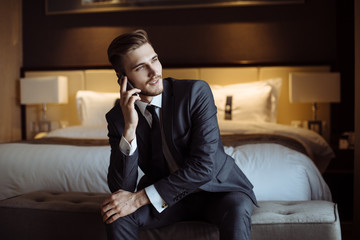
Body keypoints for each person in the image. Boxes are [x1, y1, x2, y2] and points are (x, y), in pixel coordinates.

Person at [101, 29, 257, 240]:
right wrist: (130, 128)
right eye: (140, 67)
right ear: (124, 79)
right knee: (116, 214)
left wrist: (139, 199)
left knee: (237, 209)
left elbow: (204, 167)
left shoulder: (195, 93)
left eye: (154, 60)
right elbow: (122, 190)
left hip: (219, 192)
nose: (154, 71)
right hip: (168, 201)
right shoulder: (118, 118)